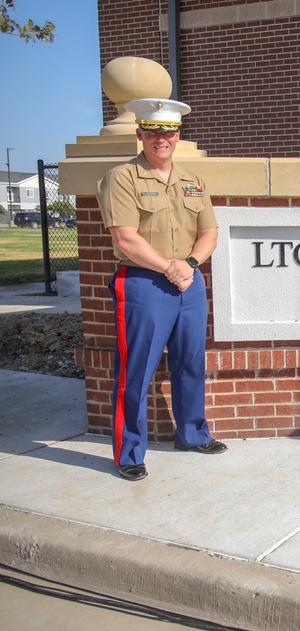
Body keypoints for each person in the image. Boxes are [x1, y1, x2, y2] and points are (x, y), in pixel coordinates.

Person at [96, 98, 227, 482]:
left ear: (178, 135)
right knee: (135, 369)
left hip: (188, 280)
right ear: (140, 134)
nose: (161, 139)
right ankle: (129, 453)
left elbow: (210, 232)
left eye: (168, 132)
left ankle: (192, 434)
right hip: (142, 283)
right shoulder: (121, 178)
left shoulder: (193, 181)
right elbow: (124, 238)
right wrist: (169, 267)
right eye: (153, 132)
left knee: (191, 363)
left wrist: (187, 265)